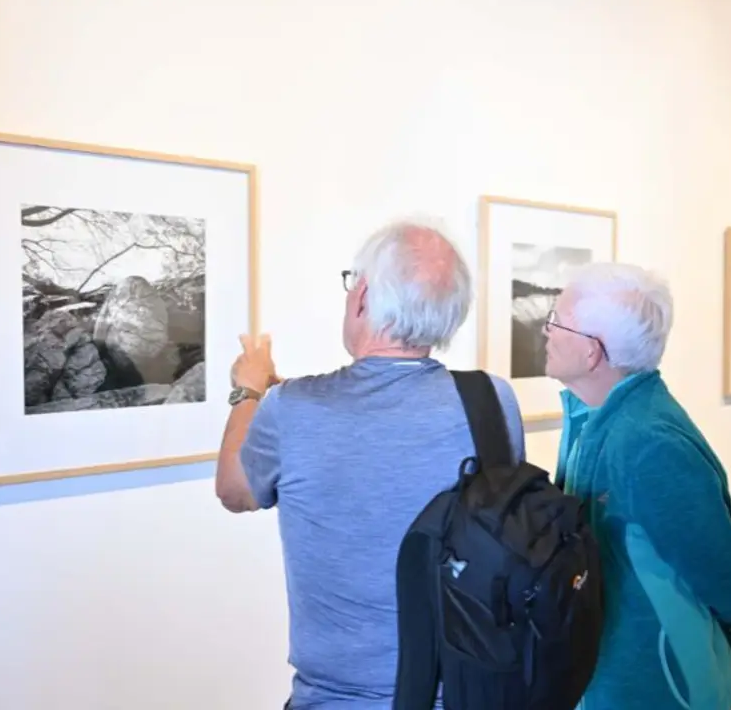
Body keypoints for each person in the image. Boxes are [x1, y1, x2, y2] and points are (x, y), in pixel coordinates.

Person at [214, 219, 526, 709]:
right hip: (474, 690)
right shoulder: (493, 400)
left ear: (362, 297)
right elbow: (395, 436)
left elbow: (234, 490)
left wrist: (249, 391)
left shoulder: (292, 410)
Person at [544, 262, 731, 710]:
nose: (547, 332)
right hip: (611, 671)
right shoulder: (597, 416)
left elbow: (713, 553)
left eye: (557, 321)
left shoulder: (646, 442)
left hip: (653, 683)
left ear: (593, 352)